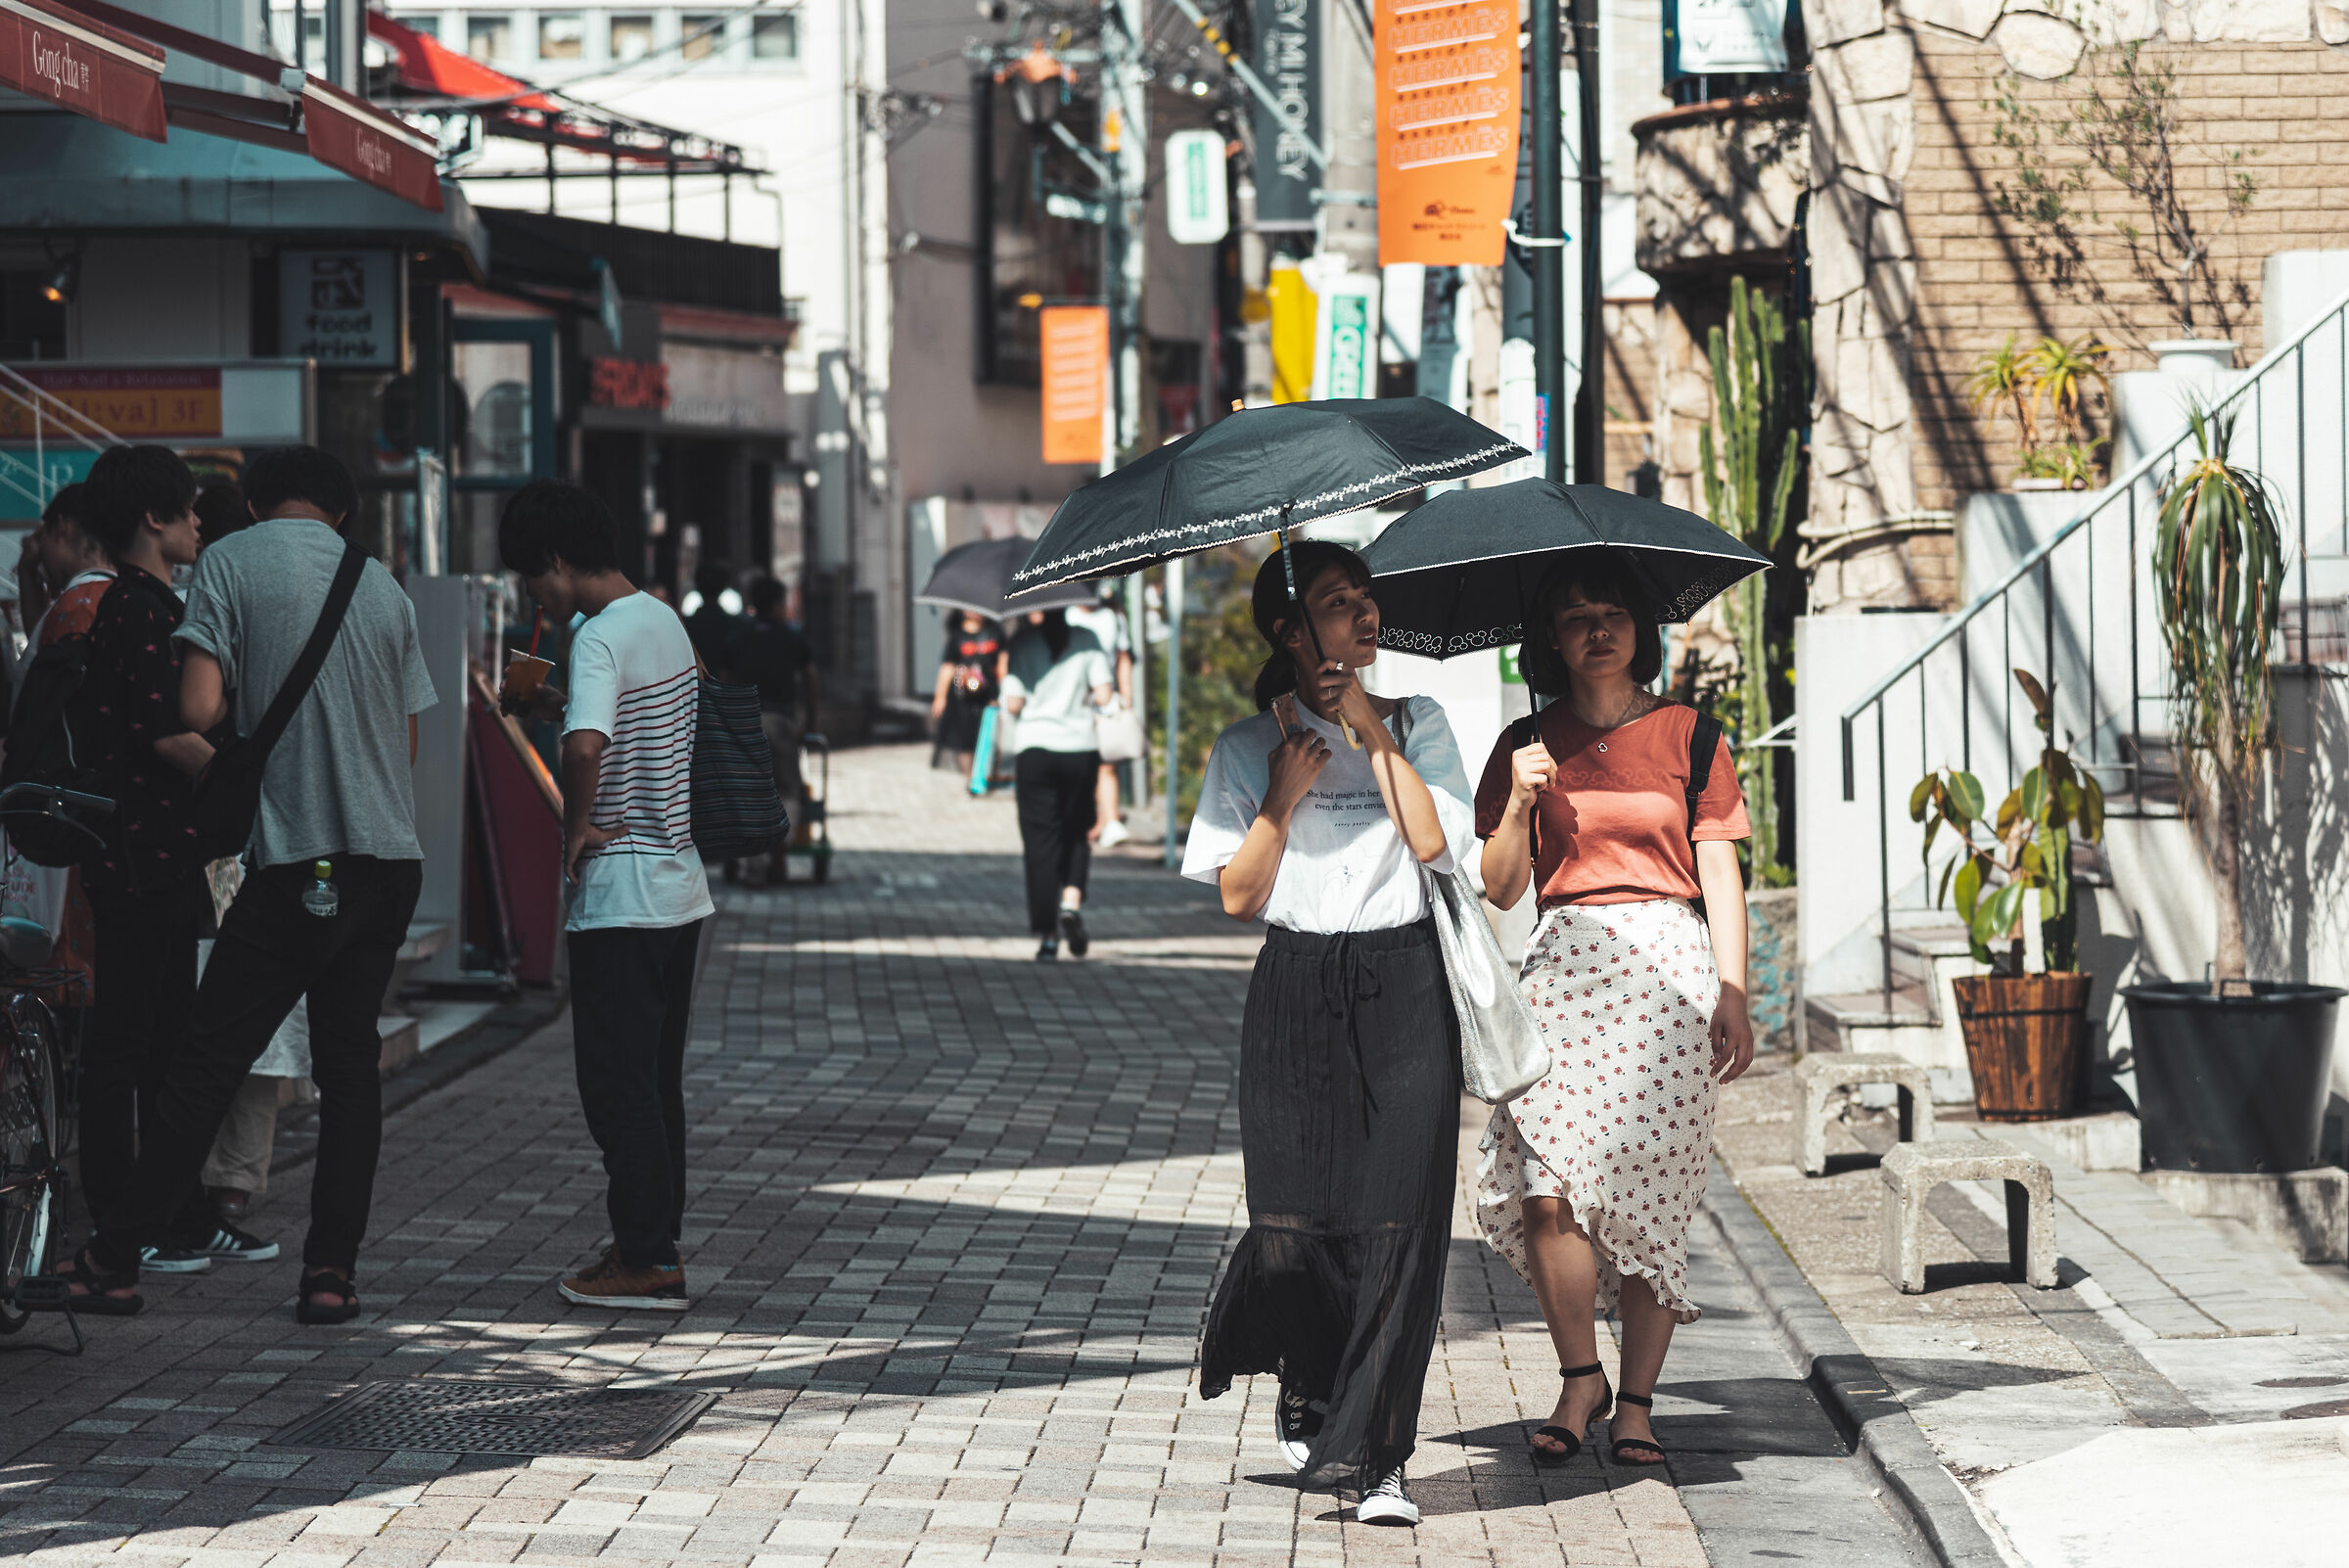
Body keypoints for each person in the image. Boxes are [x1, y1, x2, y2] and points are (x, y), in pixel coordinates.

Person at [54, 444, 438, 1323]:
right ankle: (330, 1275)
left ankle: (115, 1259)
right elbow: (404, 742)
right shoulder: (380, 583)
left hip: (302, 861)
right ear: (340, 510)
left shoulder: (231, 561)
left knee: (204, 1062)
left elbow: (192, 712)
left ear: (259, 502)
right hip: (387, 865)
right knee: (349, 1071)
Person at [1180, 542, 1473, 1526]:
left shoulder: (1418, 723)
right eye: (1340, 604)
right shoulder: (1241, 747)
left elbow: (1433, 846)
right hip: (1296, 986)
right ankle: (1309, 1378)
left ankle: (1380, 1458)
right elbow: (1237, 894)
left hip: (1404, 983)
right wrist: (1282, 791)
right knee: (1293, 1223)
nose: (1365, 617)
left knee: (1399, 1227)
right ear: (1290, 631)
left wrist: (1370, 735)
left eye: (1365, 600)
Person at [1471, 552, 1754, 1470]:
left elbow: (1719, 870)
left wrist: (1734, 992)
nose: (1598, 629)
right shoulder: (1525, 741)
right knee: (1548, 1187)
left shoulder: (1691, 735)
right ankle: (1579, 1377)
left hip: (1670, 969)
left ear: (1641, 630)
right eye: (1576, 616)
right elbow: (1502, 888)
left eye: (1613, 614)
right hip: (1564, 966)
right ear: (1548, 639)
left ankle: (1636, 1404)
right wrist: (1518, 797)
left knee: (1649, 1196)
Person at [498, 480, 712, 1312]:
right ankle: (650, 1239)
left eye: (532, 581)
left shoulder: (595, 637)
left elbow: (587, 748)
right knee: (656, 1081)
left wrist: (575, 830)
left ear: (555, 561)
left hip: (621, 894)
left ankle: (648, 1260)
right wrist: (550, 704)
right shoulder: (662, 618)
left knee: (615, 1084)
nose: (536, 598)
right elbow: (637, 725)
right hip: (678, 888)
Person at [71, 445, 262, 1281]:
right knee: (129, 1043)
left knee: (157, 1041)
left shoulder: (140, 603)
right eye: (186, 509)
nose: (197, 522)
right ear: (151, 518)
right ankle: (129, 1218)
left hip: (153, 855)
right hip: (140, 857)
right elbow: (166, 736)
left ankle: (168, 1213)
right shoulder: (140, 610)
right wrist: (247, 781)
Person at [998, 608, 1111, 960]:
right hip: (1080, 748)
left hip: (1035, 750)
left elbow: (1013, 703)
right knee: (1076, 832)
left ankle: (1048, 936)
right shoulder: (1087, 640)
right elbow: (1105, 696)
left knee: (1040, 841)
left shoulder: (1022, 643)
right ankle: (1072, 905)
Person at [734, 576, 818, 884]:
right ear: (777, 604)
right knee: (788, 789)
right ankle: (778, 845)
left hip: (746, 722)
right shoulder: (791, 637)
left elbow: (722, 675)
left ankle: (755, 864)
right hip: (781, 720)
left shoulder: (740, 637)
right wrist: (810, 720)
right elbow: (810, 677)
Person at [1064, 587, 1134, 847]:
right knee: (1082, 763)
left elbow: (1123, 657)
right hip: (1074, 701)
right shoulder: (1068, 615)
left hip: (1105, 700)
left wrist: (1127, 697)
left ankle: (1110, 821)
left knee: (1107, 763)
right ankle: (1094, 819)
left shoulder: (1113, 618)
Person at [928, 610, 999, 776]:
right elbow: (948, 667)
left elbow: (1002, 662)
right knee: (965, 739)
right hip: (962, 696)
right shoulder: (957, 637)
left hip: (988, 695)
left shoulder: (994, 634)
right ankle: (970, 778)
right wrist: (940, 697)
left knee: (988, 736)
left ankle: (985, 775)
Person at [682, 560, 741, 678]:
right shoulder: (736, 626)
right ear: (724, 587)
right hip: (725, 692)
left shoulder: (685, 626)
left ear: (696, 586)